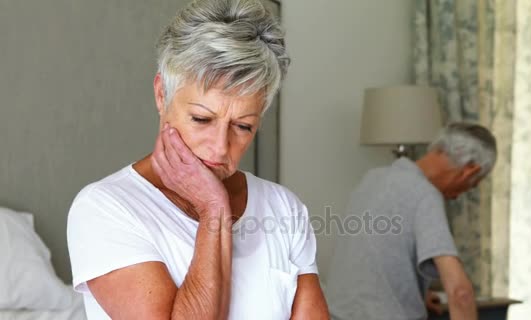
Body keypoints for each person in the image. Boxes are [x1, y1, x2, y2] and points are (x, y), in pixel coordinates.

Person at [66, 1, 329, 319]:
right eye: (202, 119)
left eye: (243, 126)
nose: (220, 147)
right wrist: (214, 211)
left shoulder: (283, 207)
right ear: (162, 95)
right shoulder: (105, 208)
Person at [324, 123, 497, 320]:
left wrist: (412, 295)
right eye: (471, 185)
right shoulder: (425, 194)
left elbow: (371, 261)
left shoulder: (371, 179)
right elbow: (460, 293)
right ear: (470, 171)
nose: (458, 196)